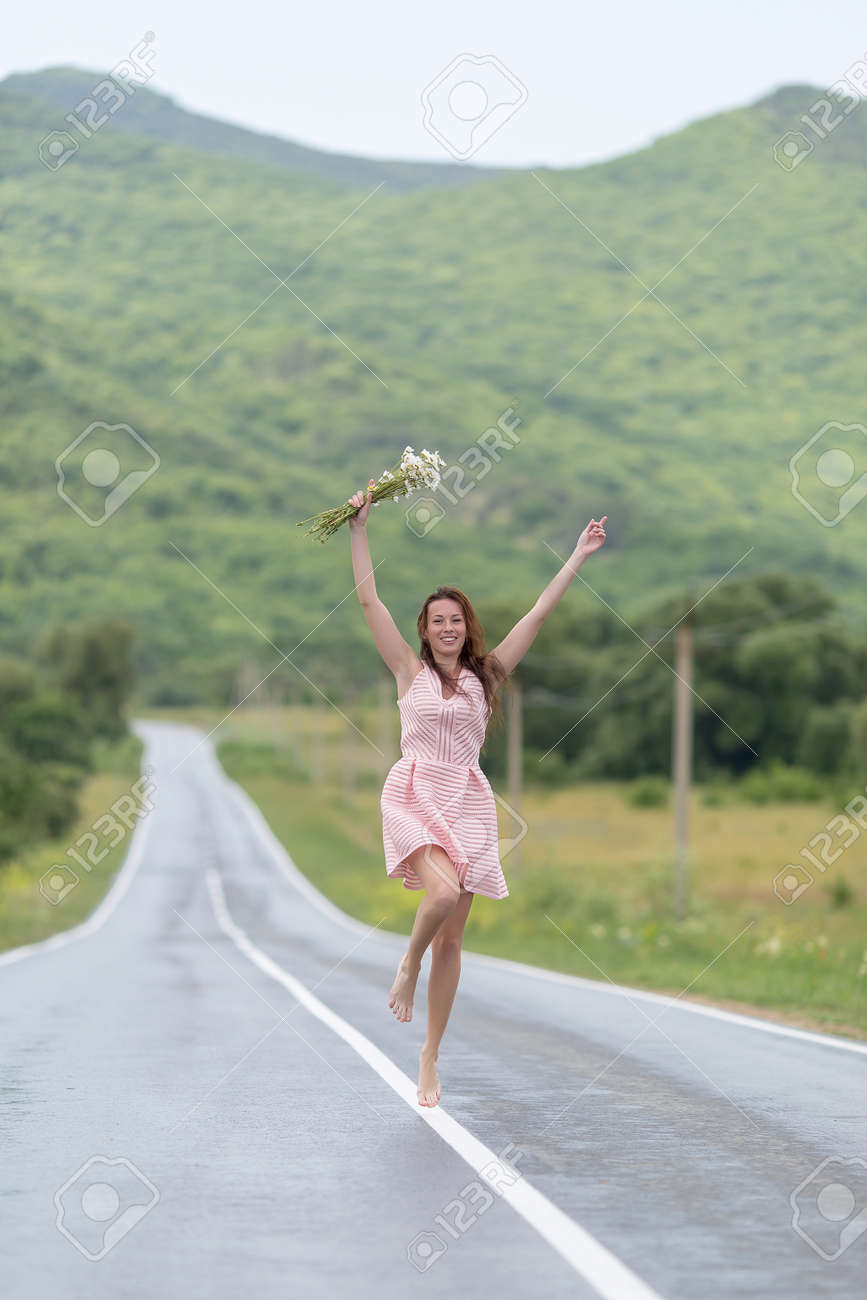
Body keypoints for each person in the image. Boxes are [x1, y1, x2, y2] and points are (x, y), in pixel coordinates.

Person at [347, 485, 607, 1106]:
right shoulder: (407, 671)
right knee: (436, 895)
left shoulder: (486, 676)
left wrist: (577, 554)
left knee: (456, 940)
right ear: (424, 630)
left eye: (455, 620)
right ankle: (407, 964)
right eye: (436, 621)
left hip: (466, 799)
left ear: (467, 629)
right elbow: (367, 599)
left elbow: (537, 615)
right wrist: (360, 527)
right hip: (414, 791)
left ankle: (430, 1056)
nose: (446, 628)